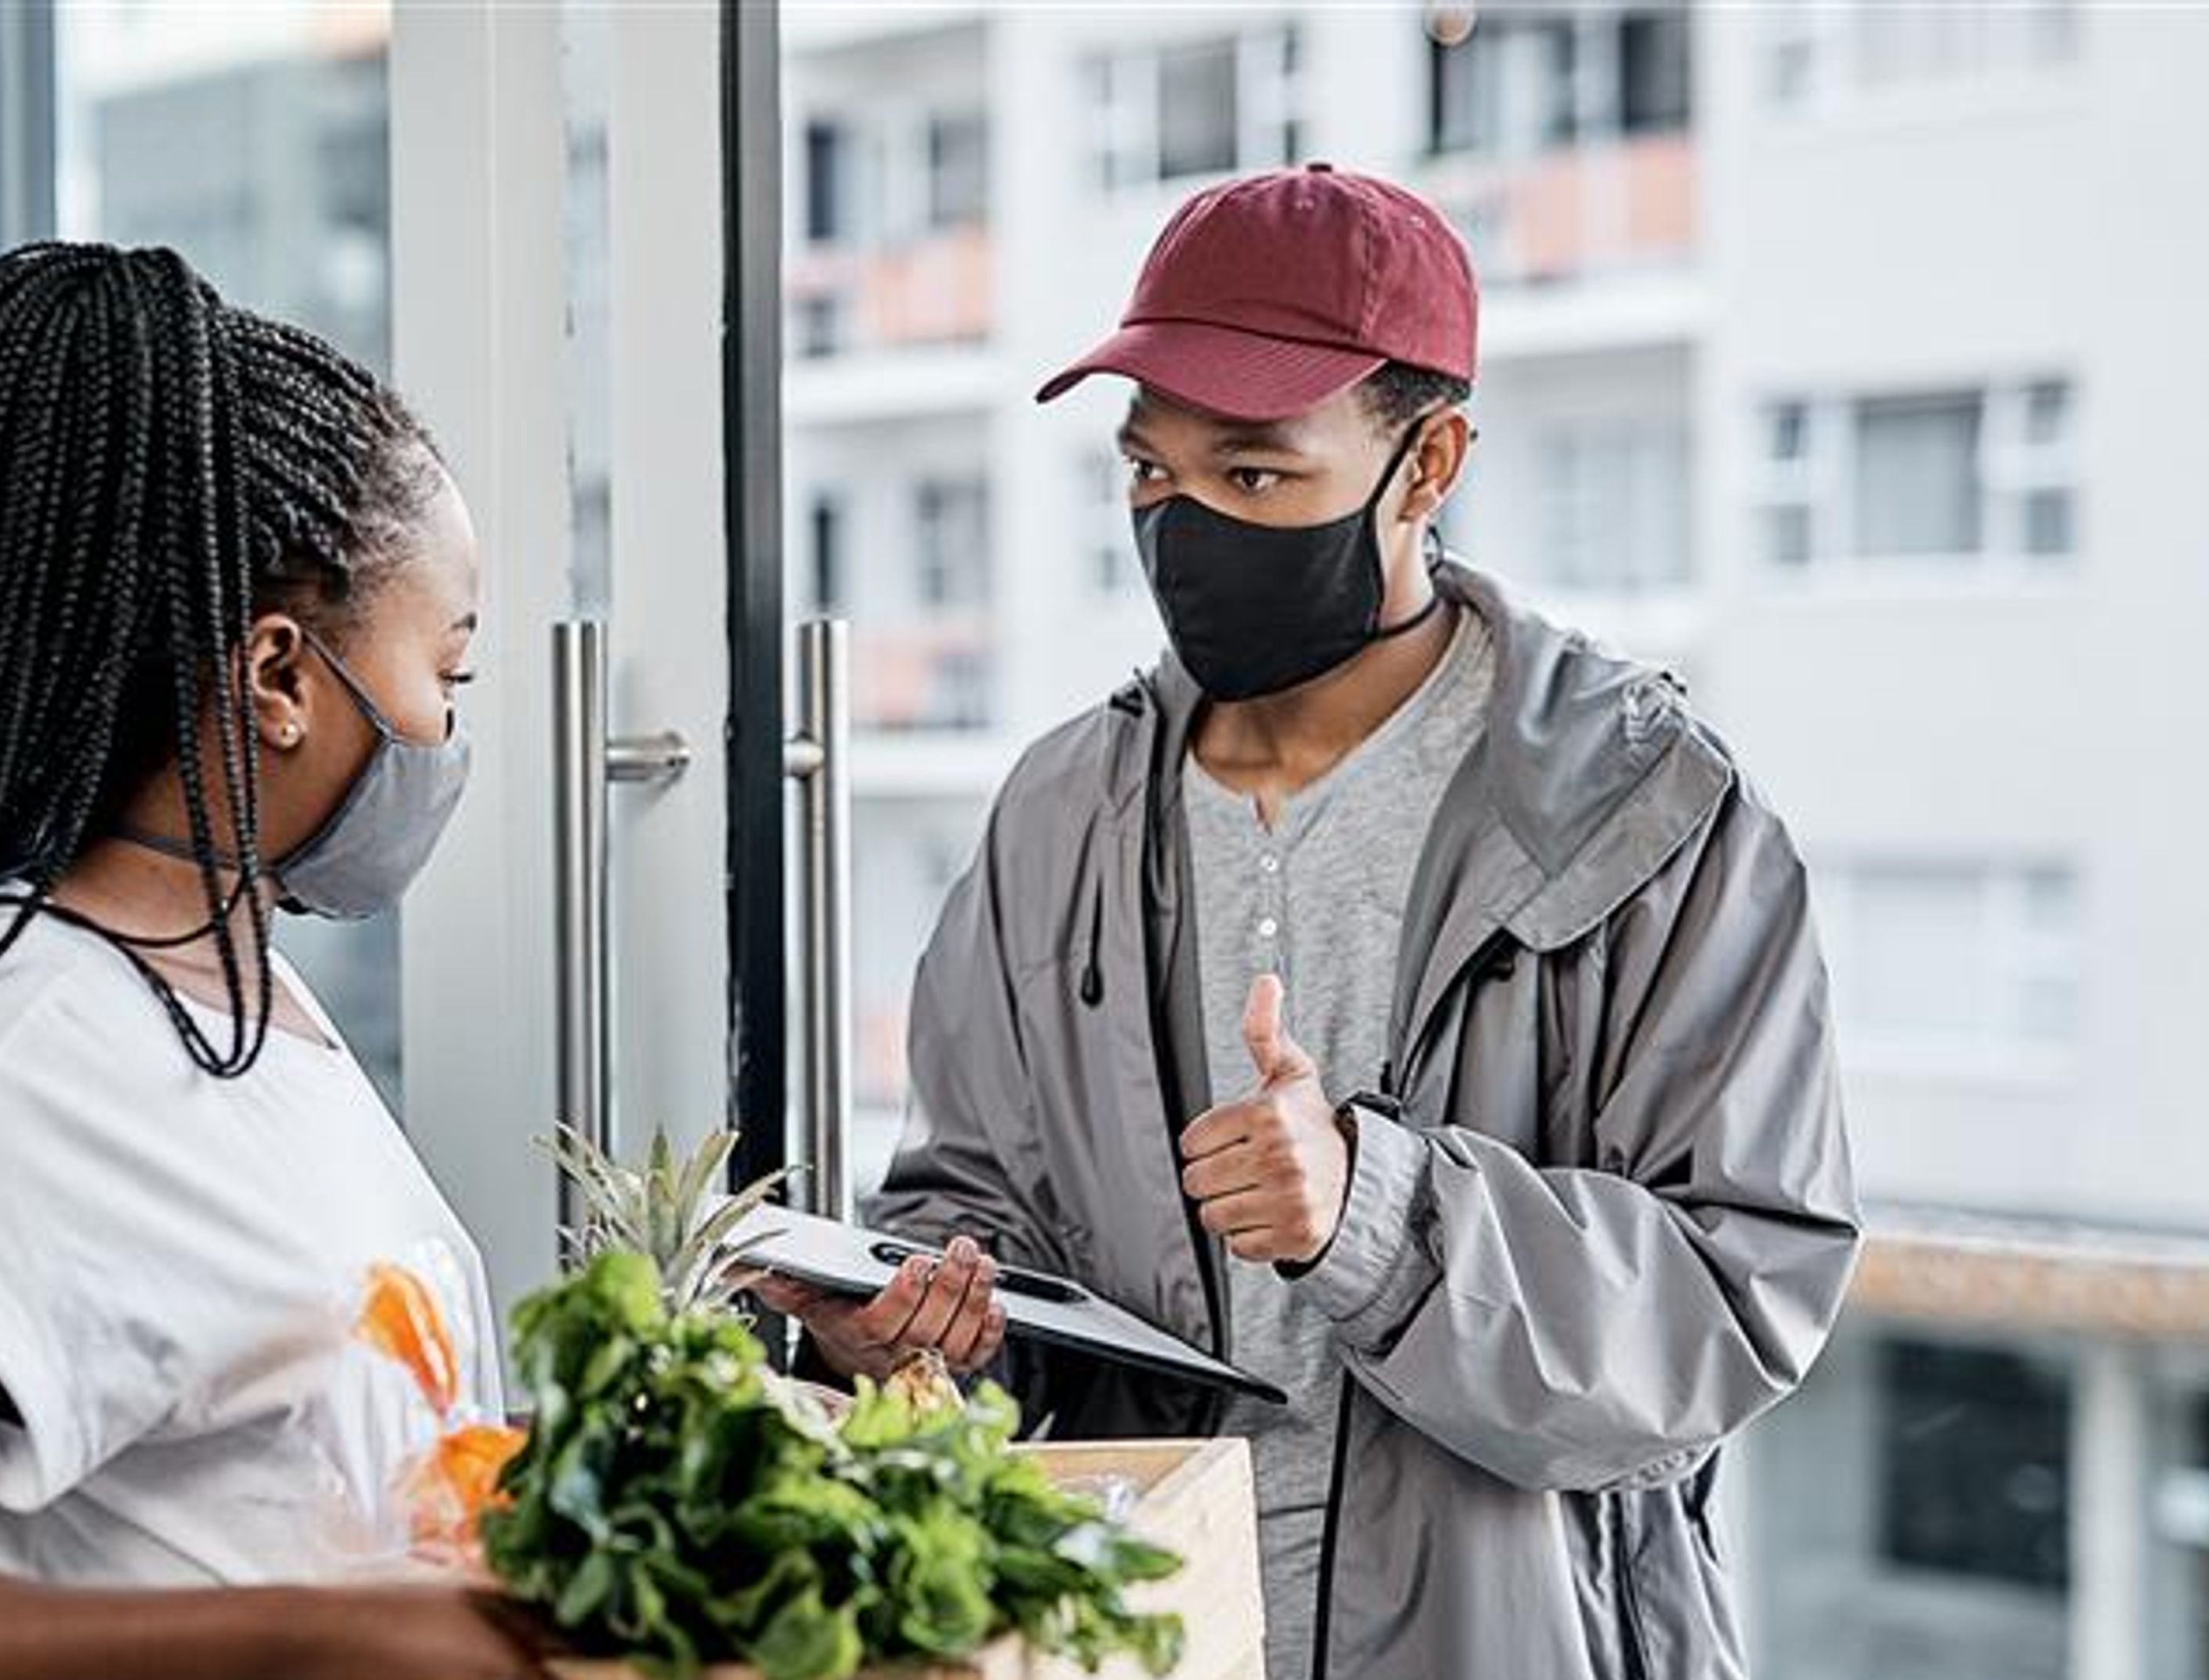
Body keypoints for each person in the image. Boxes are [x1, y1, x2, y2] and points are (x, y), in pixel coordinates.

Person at [761, 166, 1861, 1680]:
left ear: (1430, 464)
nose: (1189, 525)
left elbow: (1738, 1298)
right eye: (1152, 476)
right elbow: (980, 1198)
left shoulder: (1651, 818)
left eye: (1256, 477)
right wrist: (920, 1321)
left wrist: (1376, 1210)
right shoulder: (1061, 813)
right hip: (1133, 1636)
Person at [0, 244, 548, 1680]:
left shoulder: (235, 998)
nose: (448, 733)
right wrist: (325, 1644)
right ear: (275, 678)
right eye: (449, 674)